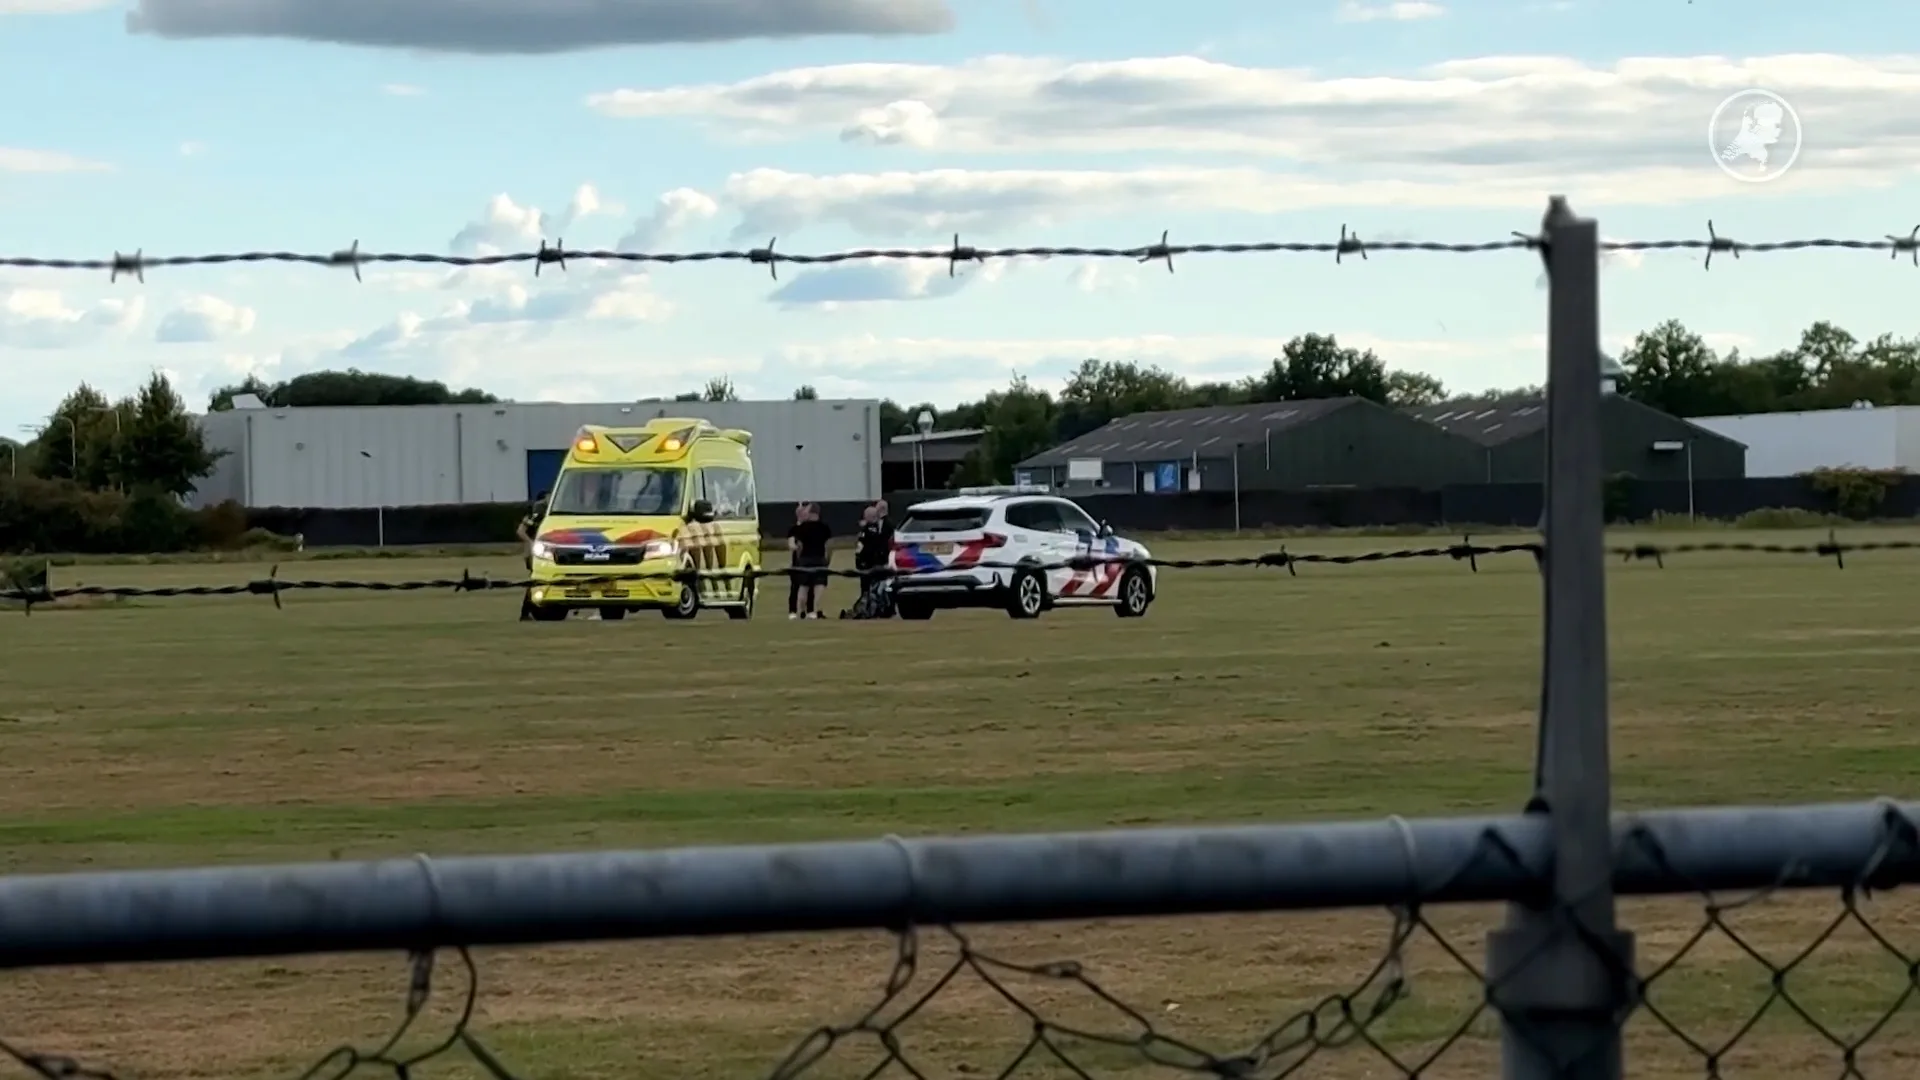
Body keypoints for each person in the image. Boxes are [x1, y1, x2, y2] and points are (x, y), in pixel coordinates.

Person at [786, 502, 832, 620]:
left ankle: (800, 610)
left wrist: (799, 558)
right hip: (819, 559)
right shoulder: (825, 527)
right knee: (819, 586)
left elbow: (799, 546)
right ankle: (814, 611)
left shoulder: (801, 528)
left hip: (805, 560)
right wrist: (827, 560)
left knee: (803, 586)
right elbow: (828, 546)